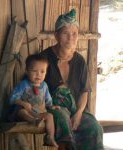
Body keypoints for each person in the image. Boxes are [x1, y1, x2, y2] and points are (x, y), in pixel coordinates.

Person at [40, 9, 104, 150]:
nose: (71, 38)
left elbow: (85, 91)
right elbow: (34, 86)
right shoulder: (44, 58)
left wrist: (79, 113)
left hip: (76, 109)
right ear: (56, 35)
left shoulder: (79, 61)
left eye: (74, 33)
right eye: (65, 33)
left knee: (94, 127)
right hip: (54, 108)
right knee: (67, 134)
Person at [9, 54, 59, 147]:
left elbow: (48, 99)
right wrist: (23, 103)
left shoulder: (44, 86)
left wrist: (51, 106)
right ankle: (33, 121)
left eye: (42, 71)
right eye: (34, 71)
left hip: (38, 113)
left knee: (49, 116)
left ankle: (50, 137)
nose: (38, 74)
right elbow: (12, 98)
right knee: (21, 111)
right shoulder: (23, 85)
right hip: (25, 113)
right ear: (27, 71)